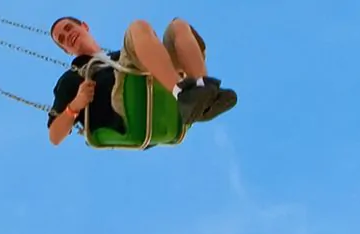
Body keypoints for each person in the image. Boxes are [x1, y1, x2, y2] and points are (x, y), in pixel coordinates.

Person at [45, 16, 237, 147]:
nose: (67, 36)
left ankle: (205, 93)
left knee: (177, 26)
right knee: (138, 27)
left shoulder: (117, 56)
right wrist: (76, 105)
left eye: (69, 28)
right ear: (66, 51)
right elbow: (54, 136)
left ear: (84, 26)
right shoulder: (72, 79)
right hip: (125, 110)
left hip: (152, 87)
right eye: (62, 39)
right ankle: (184, 95)